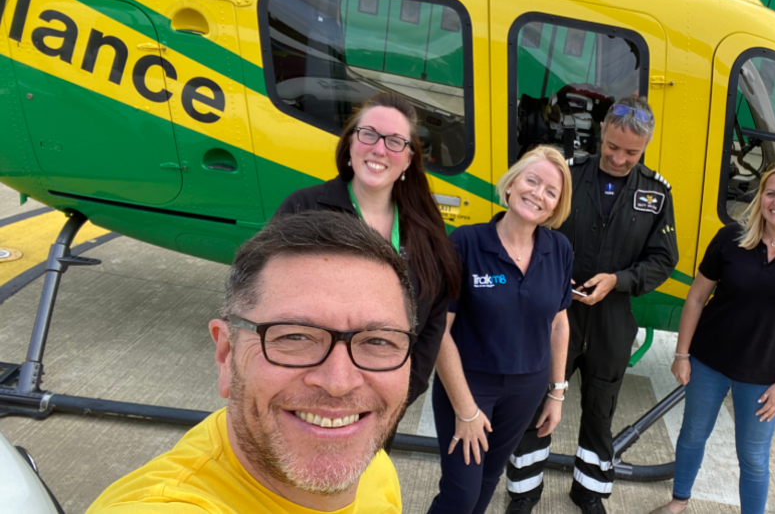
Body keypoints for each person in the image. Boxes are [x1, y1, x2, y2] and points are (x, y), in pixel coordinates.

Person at [87, 211, 413, 512]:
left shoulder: (372, 463)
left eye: (378, 341)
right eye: (294, 337)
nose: (339, 382)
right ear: (226, 354)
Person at [506, 96, 678, 514]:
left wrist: (620, 281)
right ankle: (524, 492)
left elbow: (663, 259)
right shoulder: (566, 176)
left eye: (631, 152)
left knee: (601, 412)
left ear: (646, 147)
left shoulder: (656, 194)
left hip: (612, 320)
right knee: (536, 404)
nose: (619, 158)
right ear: (602, 131)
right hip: (555, 315)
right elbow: (531, 228)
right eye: (613, 146)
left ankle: (590, 490)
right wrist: (547, 273)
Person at [649, 161, 775, 514]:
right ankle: (679, 500)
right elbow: (696, 297)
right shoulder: (731, 238)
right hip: (709, 361)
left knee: (752, 456)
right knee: (692, 437)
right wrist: (682, 353)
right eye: (771, 193)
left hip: (765, 375)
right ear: (761, 196)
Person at [277, 92, 461, 421]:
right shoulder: (303, 210)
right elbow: (265, 298)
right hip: (305, 395)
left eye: (394, 141)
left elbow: (432, 321)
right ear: (350, 144)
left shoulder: (426, 232)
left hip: (375, 407)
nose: (379, 148)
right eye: (369, 134)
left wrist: (401, 393)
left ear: (408, 159)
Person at [428, 146, 575, 514]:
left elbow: (559, 322)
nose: (538, 194)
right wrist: (465, 409)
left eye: (551, 191)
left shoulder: (559, 249)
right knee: (460, 494)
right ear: (510, 186)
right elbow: (439, 331)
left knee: (488, 482)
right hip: (469, 385)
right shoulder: (466, 242)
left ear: (556, 207)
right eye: (532, 180)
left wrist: (556, 393)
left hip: (527, 388)